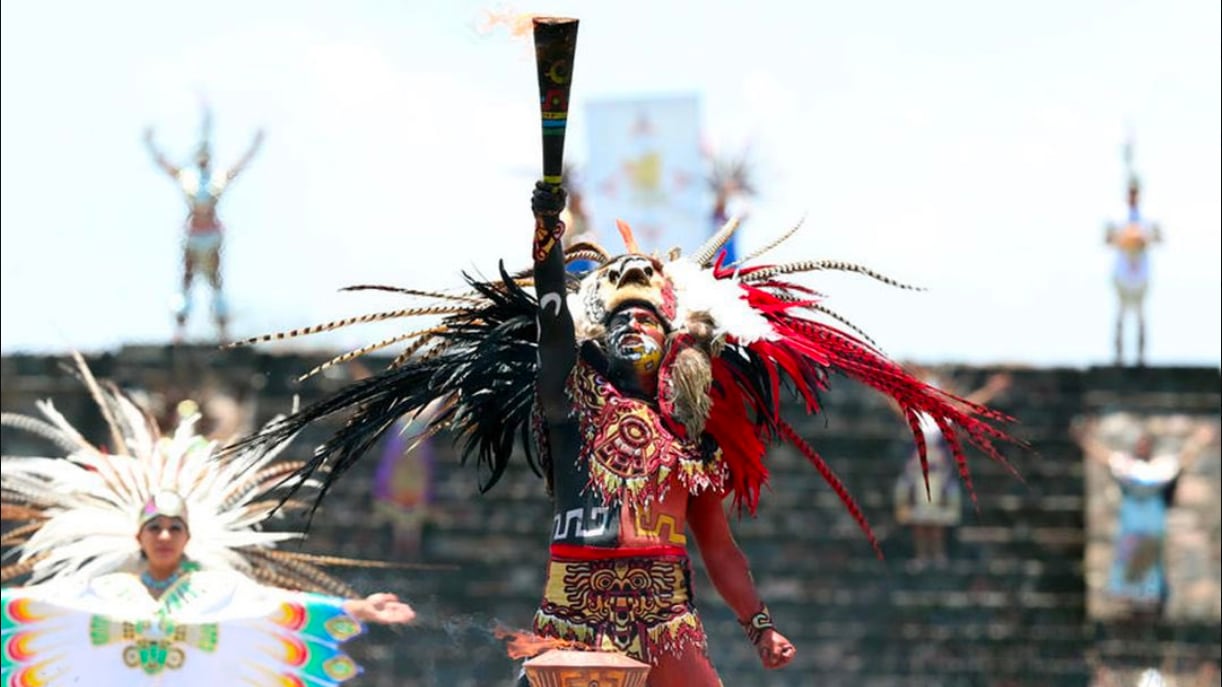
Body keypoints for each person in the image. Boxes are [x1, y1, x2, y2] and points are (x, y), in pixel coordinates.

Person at [233, 170, 1023, 685]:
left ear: (675, 339)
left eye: (649, 316)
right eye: (621, 317)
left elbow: (720, 547)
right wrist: (546, 241)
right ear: (599, 337)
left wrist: (758, 625)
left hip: (667, 623)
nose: (635, 325)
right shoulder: (570, 405)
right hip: (575, 620)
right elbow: (551, 323)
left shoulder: (691, 440)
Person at [0, 358, 415, 686]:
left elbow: (276, 608)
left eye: (174, 527)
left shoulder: (217, 591)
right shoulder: (106, 591)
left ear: (188, 536)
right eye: (155, 528)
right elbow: (46, 602)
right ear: (138, 537)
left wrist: (357, 608)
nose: (164, 535)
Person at [1073, 419, 1216, 620]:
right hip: (1133, 517)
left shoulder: (1159, 468)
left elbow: (1184, 458)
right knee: (1129, 552)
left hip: (1151, 516)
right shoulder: (1128, 466)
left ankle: (1149, 596)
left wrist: (1201, 439)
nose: (1142, 448)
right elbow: (1104, 457)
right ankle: (1128, 596)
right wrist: (1085, 441)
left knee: (1149, 554)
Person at [144, 104, 264, 342]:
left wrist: (255, 145)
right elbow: (165, 165)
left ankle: (218, 332)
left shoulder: (204, 179)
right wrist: (151, 145)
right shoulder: (194, 179)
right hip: (198, 235)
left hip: (206, 235)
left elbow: (239, 165)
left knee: (209, 282)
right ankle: (186, 332)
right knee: (193, 281)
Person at [892, 369, 1012, 564]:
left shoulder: (943, 414)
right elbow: (893, 399)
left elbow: (970, 405)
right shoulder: (913, 413)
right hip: (918, 472)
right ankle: (923, 555)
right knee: (919, 518)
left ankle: (936, 554)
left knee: (936, 518)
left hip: (939, 472)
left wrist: (991, 390)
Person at [1104, 139, 1162, 366]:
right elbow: (1107, 238)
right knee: (1120, 315)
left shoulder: (1148, 217)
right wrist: (1124, 238)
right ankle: (1118, 359)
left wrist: (1143, 238)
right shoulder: (1117, 216)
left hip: (1141, 275)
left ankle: (1140, 359)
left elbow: (1158, 237)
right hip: (1121, 274)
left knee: (1140, 316)